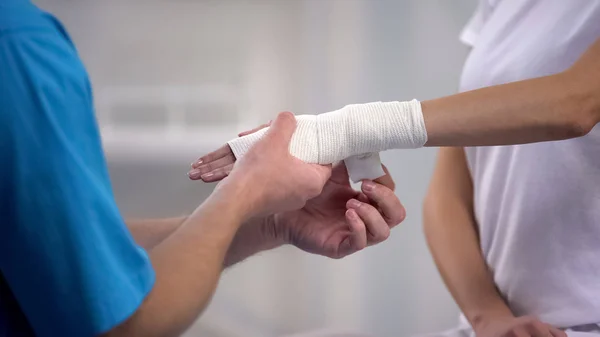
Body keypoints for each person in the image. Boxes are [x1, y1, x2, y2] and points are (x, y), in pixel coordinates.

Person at [0, 1, 406, 337]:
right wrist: (245, 190)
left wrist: (270, 222)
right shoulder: (17, 47)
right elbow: (124, 327)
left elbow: (70, 252)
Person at [196, 2, 600, 337]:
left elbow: (576, 103)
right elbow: (450, 194)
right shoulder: (503, 6)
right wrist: (486, 316)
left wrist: (346, 128)